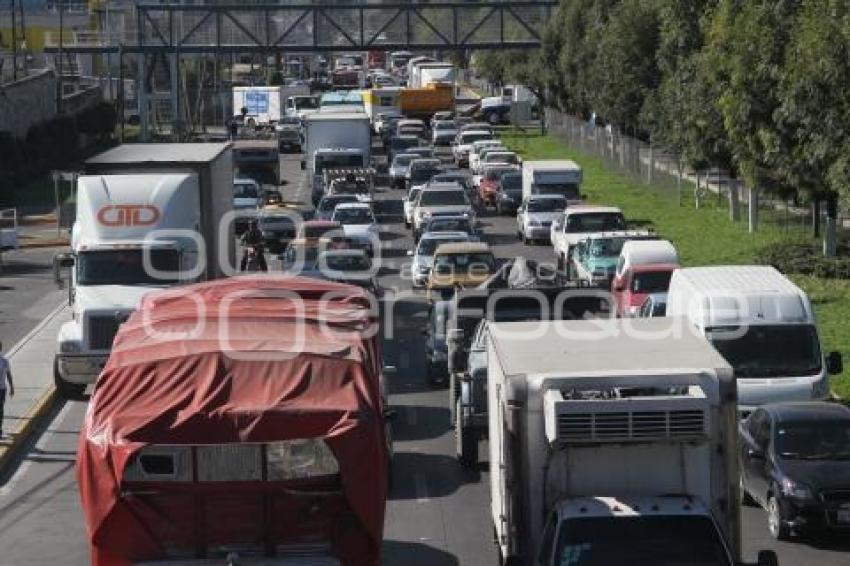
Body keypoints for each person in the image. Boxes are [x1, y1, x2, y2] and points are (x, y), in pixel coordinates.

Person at [0, 342, 15, 439]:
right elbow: (8, 374)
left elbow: (8, 374)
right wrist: (11, 386)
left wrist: (11, 386)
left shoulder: (4, 361)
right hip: (2, 389)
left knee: (0, 410)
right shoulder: (4, 361)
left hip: (2, 389)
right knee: (0, 410)